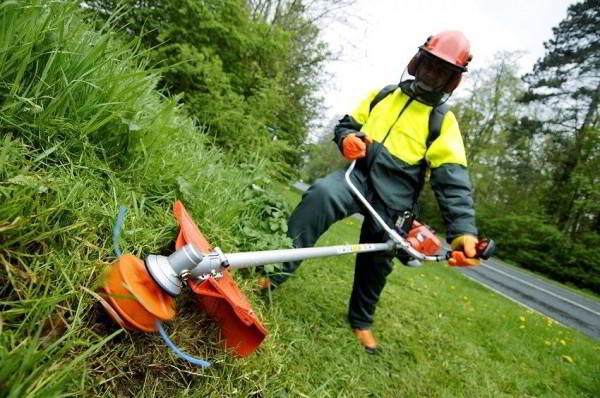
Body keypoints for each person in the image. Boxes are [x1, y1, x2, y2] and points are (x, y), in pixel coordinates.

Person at [261, 31, 480, 354]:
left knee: (377, 260)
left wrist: (464, 232)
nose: (431, 74)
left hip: (396, 198)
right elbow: (347, 124)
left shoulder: (442, 122)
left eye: (441, 71)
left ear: (451, 81)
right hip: (357, 178)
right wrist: (346, 138)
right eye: (429, 65)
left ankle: (361, 322)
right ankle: (272, 275)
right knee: (321, 194)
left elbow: (452, 181)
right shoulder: (384, 96)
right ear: (417, 63)